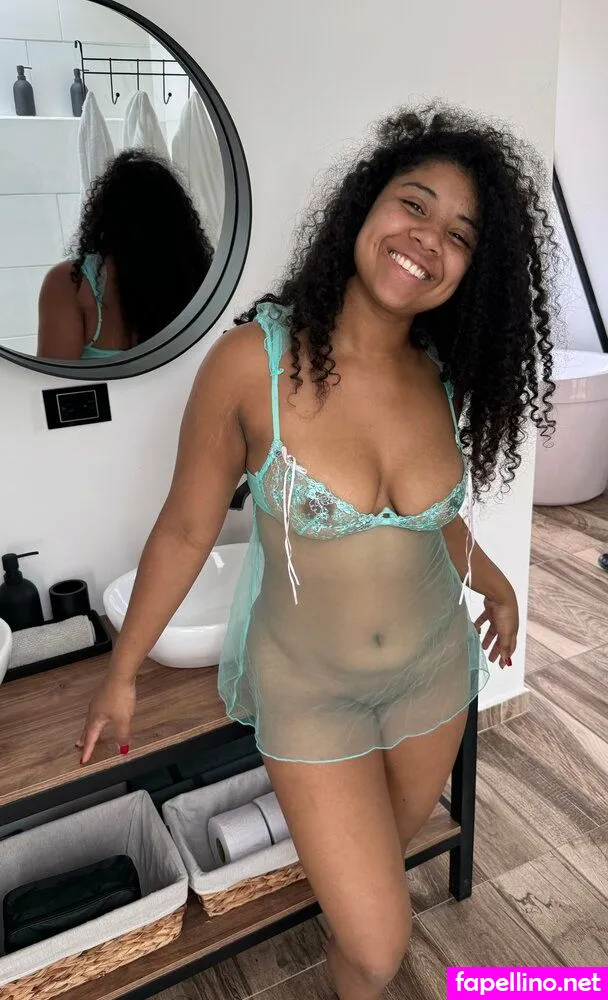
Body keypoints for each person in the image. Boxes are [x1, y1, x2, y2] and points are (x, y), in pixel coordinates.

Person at [78, 106, 555, 1000]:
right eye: (414, 204)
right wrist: (124, 670)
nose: (429, 239)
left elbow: (436, 523)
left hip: (433, 675)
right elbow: (184, 530)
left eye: (460, 235)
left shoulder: (437, 372)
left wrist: (498, 588)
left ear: (472, 269)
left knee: (367, 910)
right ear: (364, 204)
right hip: (312, 695)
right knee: (379, 944)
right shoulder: (249, 363)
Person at [37, 149, 214, 361]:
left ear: (103, 217)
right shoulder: (202, 280)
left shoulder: (70, 282)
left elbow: (54, 377)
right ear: (181, 224)